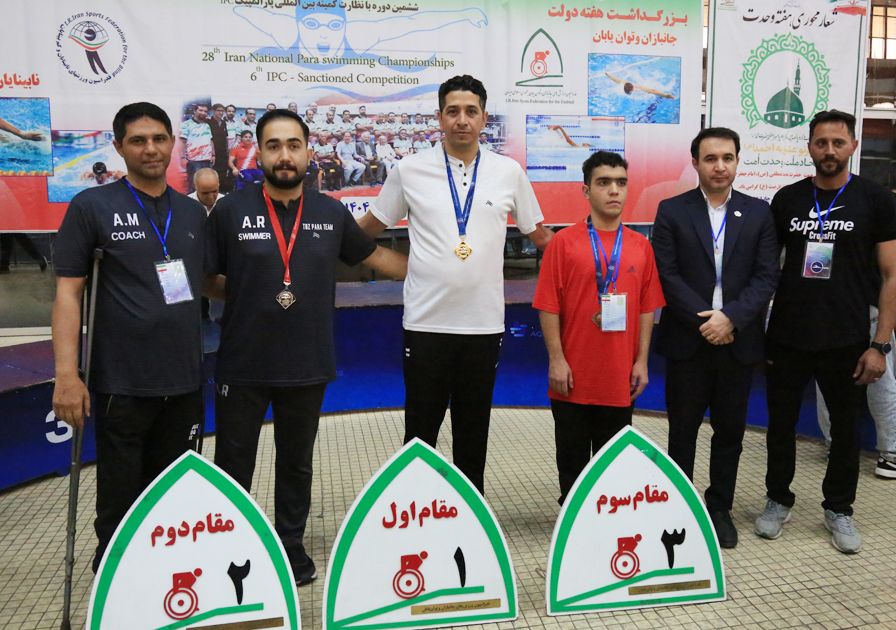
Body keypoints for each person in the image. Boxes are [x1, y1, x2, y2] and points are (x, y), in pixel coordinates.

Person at [204, 108, 407, 587]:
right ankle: (228, 545)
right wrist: (249, 295)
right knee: (233, 463)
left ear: (308, 152)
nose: (284, 155)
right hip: (243, 361)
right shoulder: (230, 211)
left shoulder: (330, 212)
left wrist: (444, 265)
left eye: (293, 145)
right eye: (274, 145)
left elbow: (376, 256)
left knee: (296, 462)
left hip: (306, 361)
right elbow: (206, 277)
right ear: (260, 153)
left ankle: (289, 544)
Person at [359, 74, 553, 494]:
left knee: (473, 432)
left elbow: (540, 237)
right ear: (439, 117)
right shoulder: (409, 170)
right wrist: (394, 264)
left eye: (470, 111)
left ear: (484, 118)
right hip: (425, 324)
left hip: (483, 326)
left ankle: (471, 514)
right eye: (453, 111)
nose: (461, 120)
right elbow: (365, 232)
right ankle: (415, 513)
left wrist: (591, 255)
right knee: (419, 434)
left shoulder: (508, 172)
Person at [51, 102, 205, 572]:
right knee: (120, 500)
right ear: (118, 147)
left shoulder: (192, 212)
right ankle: (115, 581)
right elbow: (68, 293)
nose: (150, 149)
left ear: (173, 143)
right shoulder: (92, 206)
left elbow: (209, 283)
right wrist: (66, 376)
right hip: (122, 383)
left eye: (159, 139)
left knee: (176, 495)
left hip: (185, 380)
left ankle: (171, 579)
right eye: (138, 140)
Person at [755, 110, 896, 554]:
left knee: (845, 430)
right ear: (809, 147)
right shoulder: (787, 200)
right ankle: (777, 499)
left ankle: (839, 508)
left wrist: (880, 345)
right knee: (780, 425)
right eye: (821, 142)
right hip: (788, 335)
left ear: (853, 146)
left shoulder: (876, 200)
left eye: (838, 142)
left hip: (847, 339)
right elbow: (766, 270)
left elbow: (893, 276)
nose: (829, 150)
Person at [651, 127, 779, 548]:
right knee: (682, 431)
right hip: (689, 341)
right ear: (695, 163)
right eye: (710, 158)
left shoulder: (758, 213)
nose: (720, 166)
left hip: (737, 343)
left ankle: (719, 506)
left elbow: (766, 277)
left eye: (727, 157)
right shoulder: (672, 211)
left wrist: (731, 319)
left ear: (738, 161)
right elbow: (667, 275)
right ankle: (678, 507)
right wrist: (706, 322)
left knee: (730, 433)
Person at [534, 151, 664, 504]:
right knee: (572, 465)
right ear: (586, 190)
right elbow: (548, 306)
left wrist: (641, 361)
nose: (614, 190)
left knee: (614, 468)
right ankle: (571, 520)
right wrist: (556, 360)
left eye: (621, 183)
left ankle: (607, 523)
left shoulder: (641, 246)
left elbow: (646, 309)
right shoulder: (563, 243)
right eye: (604, 182)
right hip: (572, 376)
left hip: (619, 377)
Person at [815, 177, 896, 480]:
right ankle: (892, 455)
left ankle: (834, 444)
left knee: (829, 378)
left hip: (828, 307)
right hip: (871, 309)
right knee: (881, 377)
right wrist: (894, 311)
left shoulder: (840, 207)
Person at [178, 103, 214, 194]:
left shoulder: (207, 125)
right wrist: (182, 157)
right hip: (194, 161)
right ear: (194, 111)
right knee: (194, 185)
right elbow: (182, 142)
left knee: (205, 184)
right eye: (200, 110)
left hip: (207, 160)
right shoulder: (186, 125)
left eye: (205, 111)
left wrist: (213, 155)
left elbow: (210, 140)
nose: (203, 113)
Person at [209, 103, 232, 191]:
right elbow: (209, 138)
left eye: (222, 111)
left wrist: (227, 150)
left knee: (223, 172)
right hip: (213, 152)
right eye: (218, 110)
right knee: (213, 173)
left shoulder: (223, 123)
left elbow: (226, 137)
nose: (221, 113)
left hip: (223, 152)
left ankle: (221, 191)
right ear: (213, 111)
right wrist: (212, 153)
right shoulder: (208, 122)